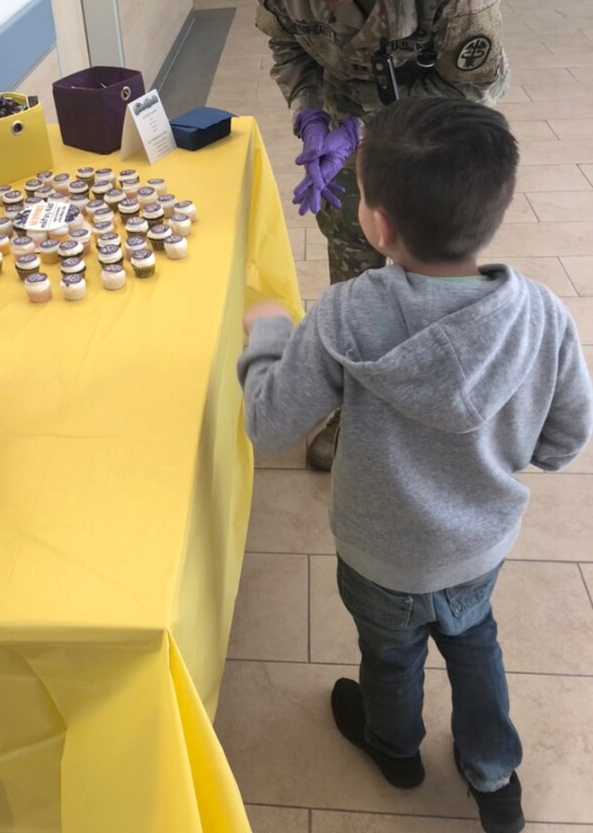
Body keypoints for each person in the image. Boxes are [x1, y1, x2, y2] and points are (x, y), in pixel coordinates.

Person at [237, 98, 593, 833]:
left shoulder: (344, 314)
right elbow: (563, 442)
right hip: (475, 548)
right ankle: (494, 771)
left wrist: (269, 336)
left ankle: (394, 749)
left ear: (378, 223)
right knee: (475, 643)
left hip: (378, 553)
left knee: (389, 658)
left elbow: (270, 422)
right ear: (491, 211)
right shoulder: (544, 315)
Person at [253, 0, 511, 469]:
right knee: (354, 271)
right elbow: (290, 49)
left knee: (431, 276)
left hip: (435, 149)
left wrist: (368, 134)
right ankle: (358, 407)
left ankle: (439, 411)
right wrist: (314, 118)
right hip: (344, 125)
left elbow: (473, 99)